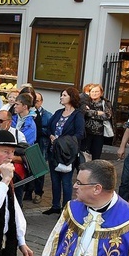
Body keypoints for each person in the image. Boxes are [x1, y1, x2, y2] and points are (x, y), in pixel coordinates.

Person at [43, 87, 85, 215]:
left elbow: (80, 134)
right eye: (61, 95)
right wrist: (51, 135)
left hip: (67, 154)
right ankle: (55, 206)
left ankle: (66, 208)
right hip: (53, 152)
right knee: (55, 180)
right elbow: (49, 127)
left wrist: (62, 141)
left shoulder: (77, 115)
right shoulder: (58, 112)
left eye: (64, 95)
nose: (61, 97)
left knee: (66, 181)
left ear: (71, 97)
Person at [81, 83, 113, 160]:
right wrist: (98, 113)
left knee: (96, 156)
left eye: (97, 92)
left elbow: (107, 116)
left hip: (99, 134)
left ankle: (94, 171)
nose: (94, 93)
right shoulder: (85, 101)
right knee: (84, 155)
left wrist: (90, 113)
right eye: (92, 91)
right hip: (86, 133)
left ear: (101, 93)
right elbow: (84, 112)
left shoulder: (105, 103)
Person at [31, 92, 52, 204]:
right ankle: (28, 192)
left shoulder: (47, 115)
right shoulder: (29, 113)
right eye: (34, 101)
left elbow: (50, 131)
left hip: (41, 145)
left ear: (41, 102)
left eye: (37, 101)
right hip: (31, 144)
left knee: (39, 170)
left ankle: (38, 193)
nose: (35, 103)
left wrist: (38, 129)